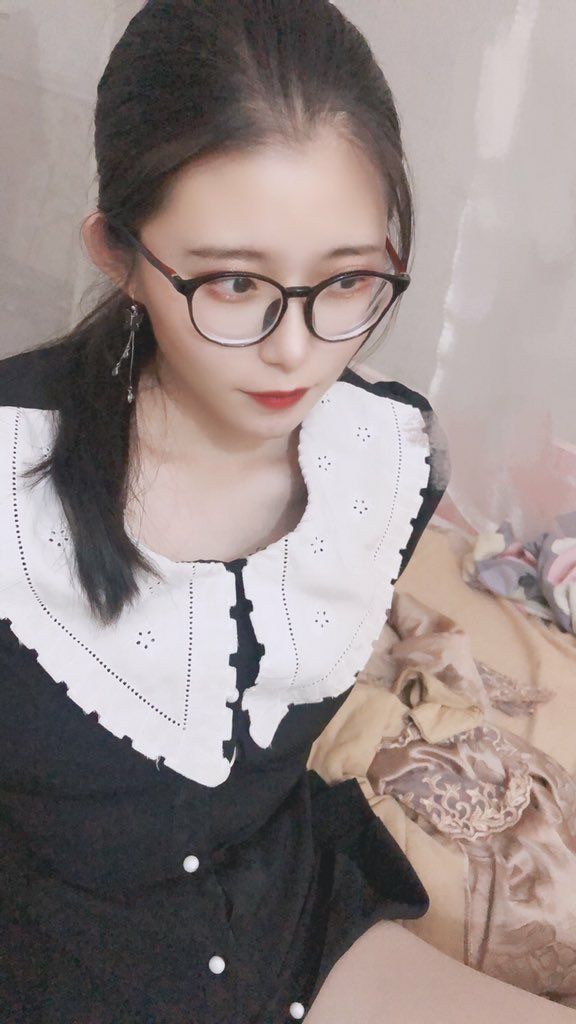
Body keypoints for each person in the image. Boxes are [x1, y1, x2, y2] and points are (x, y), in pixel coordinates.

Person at [0, 2, 571, 1022]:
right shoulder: (14, 480)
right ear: (118, 254)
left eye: (346, 279)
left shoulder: (387, 457)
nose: (297, 352)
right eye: (232, 283)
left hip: (292, 930)